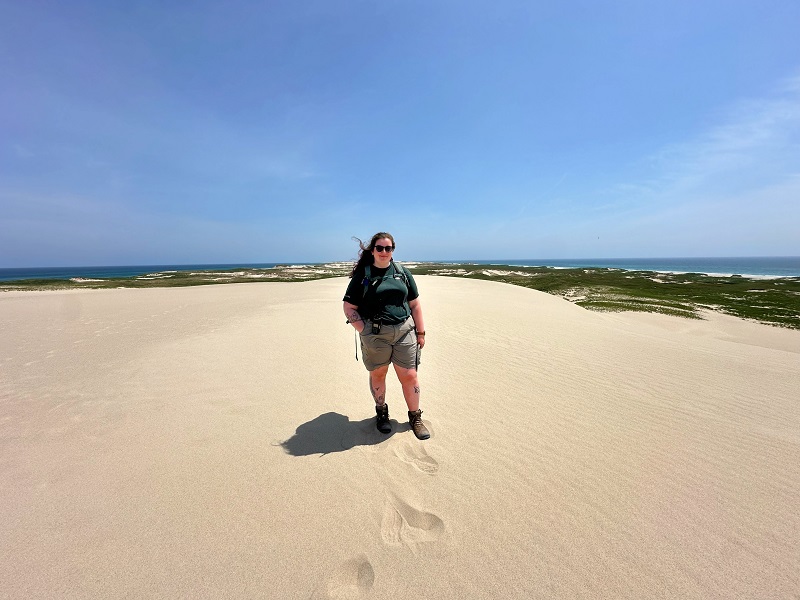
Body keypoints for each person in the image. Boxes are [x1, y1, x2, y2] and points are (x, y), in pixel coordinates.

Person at [342, 232, 430, 440]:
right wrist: (364, 330)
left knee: (410, 376)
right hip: (376, 335)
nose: (384, 252)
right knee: (379, 374)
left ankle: (415, 417)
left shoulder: (402, 273)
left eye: (388, 248)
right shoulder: (362, 276)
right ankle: (381, 412)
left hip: (404, 331)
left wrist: (421, 332)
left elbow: (415, 304)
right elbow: (348, 307)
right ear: (372, 250)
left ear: (393, 251)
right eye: (379, 248)